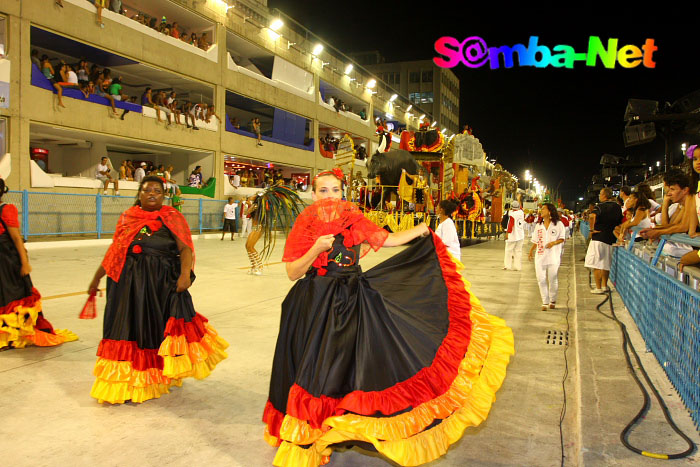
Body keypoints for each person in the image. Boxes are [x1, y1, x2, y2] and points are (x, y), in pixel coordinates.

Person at [263, 169, 514, 466]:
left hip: (351, 303)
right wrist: (316, 248)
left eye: (334, 190)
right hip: (314, 306)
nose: (329, 197)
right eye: (322, 191)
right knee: (313, 373)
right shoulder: (305, 224)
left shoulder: (354, 219)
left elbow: (388, 239)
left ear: (343, 193)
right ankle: (307, 440)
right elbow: (293, 272)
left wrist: (421, 229)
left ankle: (334, 429)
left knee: (344, 372)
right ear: (313, 193)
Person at [86, 176, 228, 404]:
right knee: (124, 328)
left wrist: (184, 275)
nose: (152, 194)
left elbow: (185, 249)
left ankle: (155, 376)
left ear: (164, 196)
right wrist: (96, 279)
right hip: (125, 285)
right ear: (139, 194)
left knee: (152, 329)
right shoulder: (127, 217)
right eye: (147, 190)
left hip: (158, 284)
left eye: (157, 191)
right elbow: (114, 252)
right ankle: (123, 381)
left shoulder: (173, 217)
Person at [0, 178, 77, 349]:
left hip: (8, 262)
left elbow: (16, 238)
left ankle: (13, 337)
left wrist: (24, 263)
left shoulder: (6, 210)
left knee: (12, 299)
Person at [245, 185, 304, 275]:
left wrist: (249, 201)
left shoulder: (257, 206)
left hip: (259, 227)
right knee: (247, 246)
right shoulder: (256, 205)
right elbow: (247, 212)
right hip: (255, 227)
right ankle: (253, 266)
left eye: (252, 196)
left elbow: (247, 212)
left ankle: (260, 266)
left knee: (251, 246)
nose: (251, 197)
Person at [528, 203, 566, 310]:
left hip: (553, 256)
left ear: (550, 211)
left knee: (552, 278)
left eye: (543, 209)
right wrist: (531, 251)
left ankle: (552, 300)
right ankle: (545, 301)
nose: (541, 211)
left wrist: (553, 243)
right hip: (540, 256)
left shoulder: (558, 224)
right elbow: (536, 241)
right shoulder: (538, 225)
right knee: (541, 279)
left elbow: (562, 238)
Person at [585, 187, 623, 293]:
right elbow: (619, 221)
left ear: (605, 195)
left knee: (596, 263)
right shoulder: (617, 207)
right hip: (610, 238)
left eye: (600, 194)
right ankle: (604, 286)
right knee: (606, 264)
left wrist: (592, 229)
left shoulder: (600, 206)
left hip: (598, 237)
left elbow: (592, 216)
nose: (599, 196)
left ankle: (598, 288)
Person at [503, 200, 525, 270]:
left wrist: (507, 233)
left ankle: (507, 266)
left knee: (508, 251)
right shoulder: (521, 212)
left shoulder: (511, 214)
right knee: (518, 251)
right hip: (520, 235)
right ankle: (517, 267)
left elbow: (510, 225)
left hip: (512, 235)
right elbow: (521, 208)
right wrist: (519, 199)